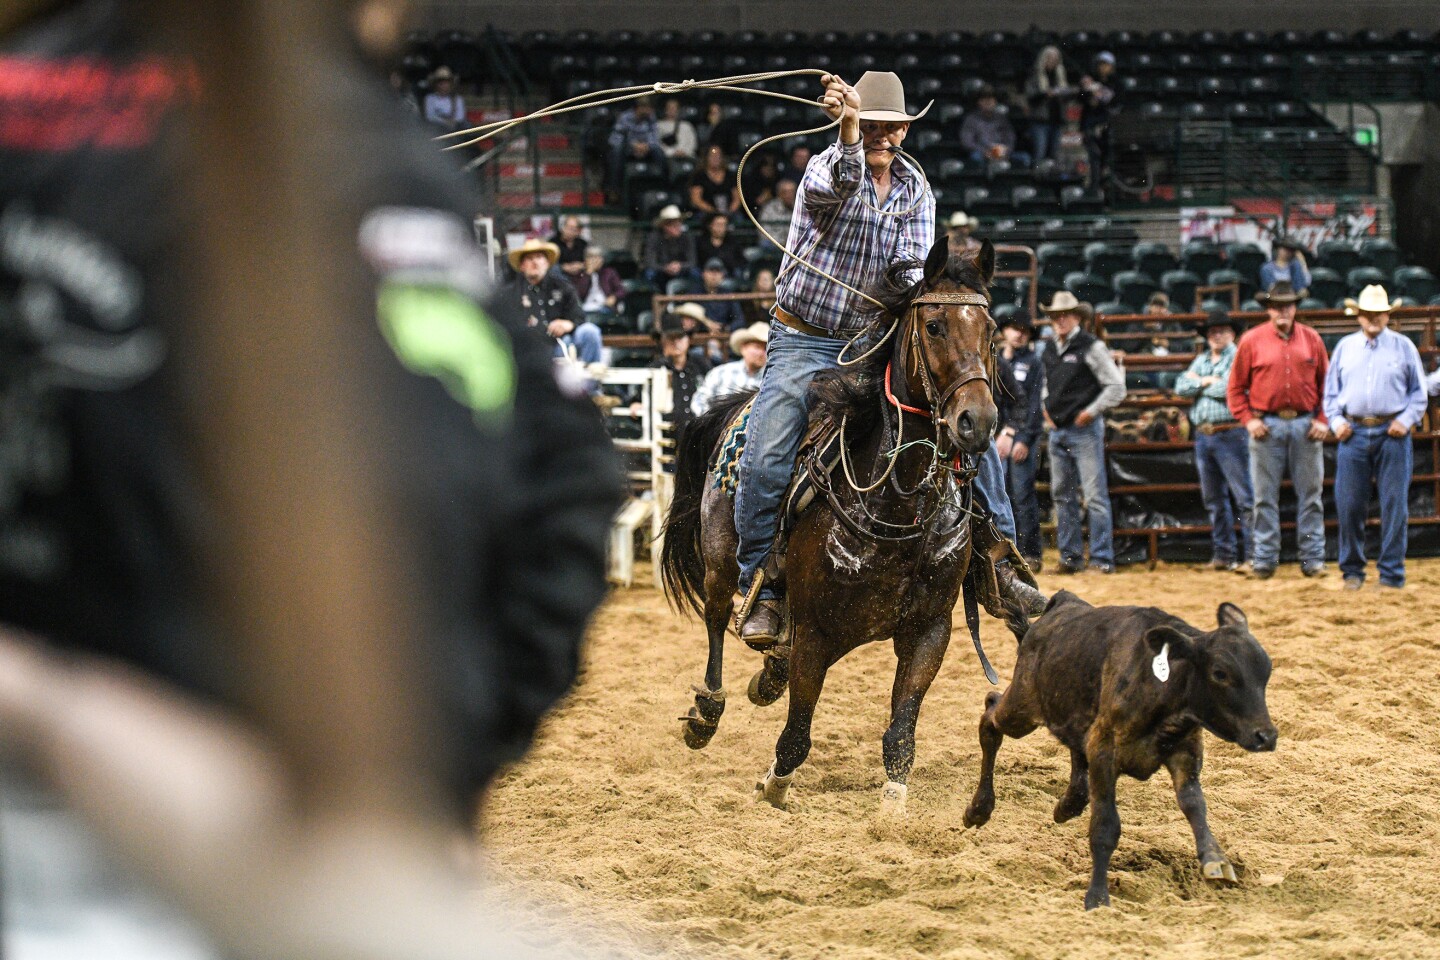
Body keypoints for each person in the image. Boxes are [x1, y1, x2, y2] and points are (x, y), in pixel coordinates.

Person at [0, 3, 622, 953]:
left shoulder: (28, 89)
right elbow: (559, 476)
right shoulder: (333, 144)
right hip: (221, 843)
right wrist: (442, 771)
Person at [732, 71, 1041, 644]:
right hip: (805, 336)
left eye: (886, 125)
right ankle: (760, 583)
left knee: (968, 415)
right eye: (868, 124)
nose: (879, 135)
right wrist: (848, 130)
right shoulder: (826, 168)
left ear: (903, 129)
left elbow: (908, 265)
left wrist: (932, 288)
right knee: (768, 448)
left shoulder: (915, 190)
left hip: (873, 332)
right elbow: (838, 186)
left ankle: (998, 560)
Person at [1323, 285, 1428, 590]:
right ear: (1359, 316)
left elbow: (1418, 394)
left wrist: (1406, 420)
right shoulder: (1344, 347)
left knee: (1395, 504)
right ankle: (1353, 571)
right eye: (1367, 314)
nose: (1373, 318)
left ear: (1387, 315)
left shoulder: (1404, 346)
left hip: (1391, 432)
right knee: (1349, 504)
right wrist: (1336, 421)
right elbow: (1330, 395)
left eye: (1379, 313)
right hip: (1352, 432)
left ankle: (1392, 573)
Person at [1226, 280, 1330, 579]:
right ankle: (1264, 561)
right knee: (1263, 497)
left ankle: (1313, 561)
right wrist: (1249, 420)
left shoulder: (1312, 339)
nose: (1282, 310)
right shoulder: (1250, 341)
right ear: (1268, 309)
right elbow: (1235, 389)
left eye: (1287, 305)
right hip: (1266, 425)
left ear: (1295, 307)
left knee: (1310, 495)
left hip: (1305, 423)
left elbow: (1327, 386)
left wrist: (1322, 419)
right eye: (1276, 306)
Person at [1040, 291, 1125, 573]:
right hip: (1060, 429)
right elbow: (1045, 383)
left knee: (1092, 495)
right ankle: (1071, 557)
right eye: (1055, 316)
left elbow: (1116, 387)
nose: (1059, 319)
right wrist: (1045, 409)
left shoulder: (1091, 347)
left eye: (1064, 314)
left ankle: (1101, 559)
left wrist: (1091, 411)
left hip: (1084, 430)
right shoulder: (1050, 348)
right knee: (1063, 495)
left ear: (1077, 317)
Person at [1175, 310, 1253, 571]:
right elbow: (1180, 386)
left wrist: (1200, 383)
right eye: (1212, 331)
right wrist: (1210, 382)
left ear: (1232, 334)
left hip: (1230, 432)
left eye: (1222, 330)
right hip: (1205, 434)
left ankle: (1253, 555)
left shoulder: (1239, 356)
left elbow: (1233, 389)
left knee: (1244, 497)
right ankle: (1224, 554)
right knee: (1215, 499)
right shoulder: (1203, 359)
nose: (1217, 335)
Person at [491, 239, 602, 364]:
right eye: (529, 258)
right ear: (522, 266)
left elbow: (579, 316)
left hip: (565, 339)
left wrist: (567, 324)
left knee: (590, 332)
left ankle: (591, 378)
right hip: (531, 347)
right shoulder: (511, 293)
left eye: (539, 257)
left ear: (547, 263)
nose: (535, 262)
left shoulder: (563, 286)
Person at [997, 311, 1045, 570]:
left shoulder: (1034, 362)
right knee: (1000, 495)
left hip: (1021, 437)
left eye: (1024, 330)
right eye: (1014, 328)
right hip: (996, 438)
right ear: (1004, 330)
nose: (1019, 334)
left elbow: (1034, 405)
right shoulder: (992, 359)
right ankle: (1006, 551)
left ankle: (1030, 553)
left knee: (1022, 494)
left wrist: (1022, 438)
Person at [650, 311, 712, 441]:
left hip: (700, 431)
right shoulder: (655, 368)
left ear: (688, 340)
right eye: (671, 338)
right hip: (667, 434)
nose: (676, 342)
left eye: (680, 337)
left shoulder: (701, 364)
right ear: (663, 341)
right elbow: (639, 399)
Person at [692, 322, 767, 415]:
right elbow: (699, 401)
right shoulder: (720, 373)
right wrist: (710, 424)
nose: (762, 352)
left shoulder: (772, 380)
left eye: (766, 348)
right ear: (743, 348)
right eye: (757, 347)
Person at [1025, 45, 1075, 163]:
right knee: (1040, 153)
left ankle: (1052, 178)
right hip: (1040, 121)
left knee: (1055, 154)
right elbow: (1030, 98)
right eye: (1050, 58)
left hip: (1057, 120)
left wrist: (1069, 93)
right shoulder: (1034, 76)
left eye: (1055, 59)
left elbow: (1067, 98)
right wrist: (1045, 94)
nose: (1053, 61)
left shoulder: (1060, 77)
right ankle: (1036, 177)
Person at [607, 96, 665, 197]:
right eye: (647, 108)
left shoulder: (651, 118)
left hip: (646, 149)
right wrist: (633, 144)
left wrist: (647, 146)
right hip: (628, 148)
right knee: (616, 151)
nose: (649, 111)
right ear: (639, 108)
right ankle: (614, 189)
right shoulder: (625, 117)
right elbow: (614, 138)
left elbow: (655, 138)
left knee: (659, 152)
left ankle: (660, 188)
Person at [960, 85, 1028, 168]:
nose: (988, 102)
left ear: (995, 101)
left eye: (991, 99)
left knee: (1024, 157)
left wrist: (1005, 151)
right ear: (979, 102)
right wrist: (985, 152)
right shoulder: (971, 119)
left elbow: (1010, 138)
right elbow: (967, 142)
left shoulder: (1002, 119)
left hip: (1001, 153)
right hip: (982, 153)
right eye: (984, 99)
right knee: (975, 157)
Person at [1079, 52, 1118, 189]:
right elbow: (1081, 98)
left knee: (1106, 156)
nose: (1103, 67)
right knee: (1093, 155)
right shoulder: (1089, 81)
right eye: (1101, 64)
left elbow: (1116, 101)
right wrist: (1090, 95)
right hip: (1090, 123)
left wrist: (1101, 99)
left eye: (1106, 64)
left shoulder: (1115, 83)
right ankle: (1094, 186)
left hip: (1107, 124)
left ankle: (1104, 185)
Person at [642, 204, 699, 287]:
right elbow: (650, 262)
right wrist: (665, 267)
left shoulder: (687, 237)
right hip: (661, 271)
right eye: (673, 225)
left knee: (695, 272)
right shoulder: (654, 237)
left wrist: (680, 266)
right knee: (649, 273)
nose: (678, 227)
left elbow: (692, 261)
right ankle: (653, 297)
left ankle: (694, 296)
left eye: (679, 223)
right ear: (664, 226)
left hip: (681, 270)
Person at [688, 143, 740, 216]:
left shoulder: (730, 175)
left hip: (729, 211)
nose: (716, 158)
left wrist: (730, 211)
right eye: (712, 156)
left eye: (718, 156)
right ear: (706, 157)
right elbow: (696, 199)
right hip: (706, 212)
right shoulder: (699, 176)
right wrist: (713, 212)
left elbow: (737, 198)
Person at [573, 246, 624, 316]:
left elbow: (621, 290)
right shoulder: (579, 274)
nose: (594, 261)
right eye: (591, 257)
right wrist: (588, 274)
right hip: (585, 307)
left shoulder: (609, 272)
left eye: (597, 257)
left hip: (604, 306)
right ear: (585, 260)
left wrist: (614, 297)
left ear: (602, 260)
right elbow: (579, 294)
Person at [699, 258, 746, 331]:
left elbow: (740, 319)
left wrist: (725, 328)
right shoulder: (695, 293)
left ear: (722, 275)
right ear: (703, 274)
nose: (714, 275)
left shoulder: (728, 294)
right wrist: (705, 323)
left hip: (724, 336)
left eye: (718, 271)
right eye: (711, 270)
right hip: (701, 335)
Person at [696, 212, 747, 277]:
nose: (721, 228)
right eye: (718, 224)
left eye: (724, 225)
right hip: (706, 275)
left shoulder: (733, 242)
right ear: (710, 225)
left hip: (728, 275)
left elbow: (740, 261)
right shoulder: (701, 242)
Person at [422, 66, 466, 131]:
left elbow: (460, 117)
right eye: (440, 82)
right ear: (435, 84)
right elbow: (430, 116)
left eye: (446, 82)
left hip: (455, 130)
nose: (443, 85)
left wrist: (452, 122)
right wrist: (444, 122)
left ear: (451, 84)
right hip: (436, 130)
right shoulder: (430, 98)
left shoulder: (457, 99)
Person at [758, 177, 797, 249]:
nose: (789, 195)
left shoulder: (799, 207)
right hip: (774, 244)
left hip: (793, 244)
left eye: (792, 192)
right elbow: (765, 232)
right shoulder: (769, 208)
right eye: (785, 192)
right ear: (779, 194)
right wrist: (781, 243)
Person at [655, 96, 698, 161]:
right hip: (667, 158)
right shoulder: (658, 125)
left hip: (686, 156)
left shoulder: (687, 125)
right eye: (670, 108)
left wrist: (685, 152)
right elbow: (657, 143)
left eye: (674, 108)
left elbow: (693, 143)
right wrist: (672, 153)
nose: (672, 110)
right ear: (665, 110)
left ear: (678, 110)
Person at [549, 214, 589, 279]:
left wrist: (581, 266)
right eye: (568, 227)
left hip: (579, 276)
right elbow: (548, 264)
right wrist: (563, 267)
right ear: (563, 228)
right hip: (559, 277)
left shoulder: (582, 243)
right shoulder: (552, 243)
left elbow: (589, 260)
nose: (569, 231)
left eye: (573, 229)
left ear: (578, 231)